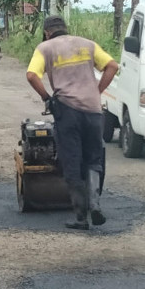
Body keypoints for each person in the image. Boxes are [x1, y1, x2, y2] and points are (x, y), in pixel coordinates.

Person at [26, 15, 119, 230]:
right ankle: (95, 204)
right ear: (65, 28)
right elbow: (112, 66)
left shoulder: (45, 48)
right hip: (93, 111)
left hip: (67, 111)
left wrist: (47, 98)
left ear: (48, 32)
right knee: (94, 159)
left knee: (72, 162)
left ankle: (80, 217)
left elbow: (32, 75)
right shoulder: (88, 44)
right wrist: (96, 92)